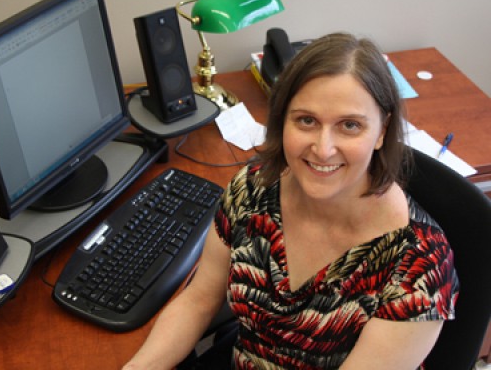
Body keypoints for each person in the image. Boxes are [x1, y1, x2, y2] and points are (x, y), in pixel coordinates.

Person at [122, 32, 459, 370]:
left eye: (350, 125)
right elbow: (198, 300)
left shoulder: (418, 268)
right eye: (306, 120)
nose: (323, 148)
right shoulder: (254, 188)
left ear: (382, 131)